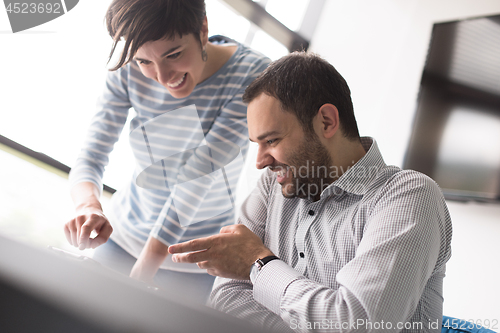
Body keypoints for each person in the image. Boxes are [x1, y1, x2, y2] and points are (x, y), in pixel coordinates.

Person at [168, 52, 453, 331]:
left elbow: (357, 324)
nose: (260, 161)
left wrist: (260, 264)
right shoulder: (274, 186)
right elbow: (227, 297)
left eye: (272, 140)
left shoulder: (409, 196)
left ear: (326, 121)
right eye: (257, 143)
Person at [63, 0, 270, 304]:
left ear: (202, 29)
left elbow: (198, 177)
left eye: (173, 54)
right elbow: (92, 153)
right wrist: (88, 206)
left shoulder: (253, 74)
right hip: (124, 236)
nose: (162, 76)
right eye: (144, 62)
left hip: (197, 256)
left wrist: (145, 268)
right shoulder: (127, 65)